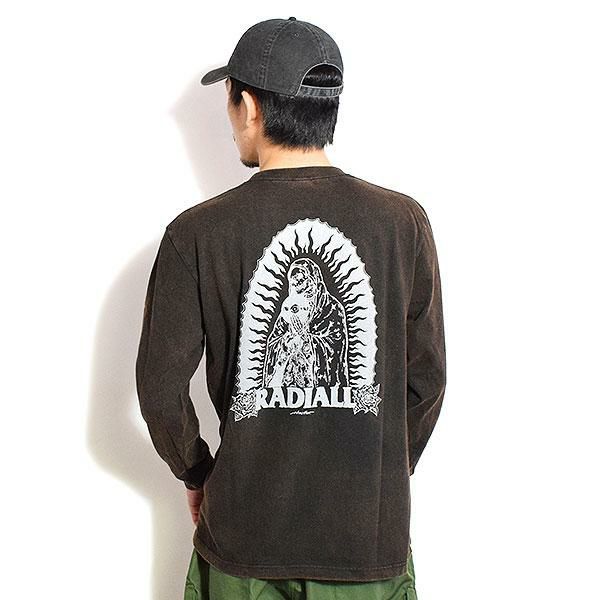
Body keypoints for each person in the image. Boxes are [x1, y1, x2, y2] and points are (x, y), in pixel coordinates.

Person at [135, 16, 446, 600]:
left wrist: (198, 473)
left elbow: (159, 390)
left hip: (244, 542)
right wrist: (378, 475)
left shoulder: (197, 234)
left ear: (249, 106)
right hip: (366, 548)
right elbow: (426, 381)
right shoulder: (402, 223)